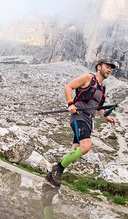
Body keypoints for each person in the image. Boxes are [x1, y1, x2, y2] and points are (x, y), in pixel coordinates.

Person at [47, 59, 116, 187]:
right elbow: (68, 87)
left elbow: (98, 107)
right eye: (107, 67)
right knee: (86, 147)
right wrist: (70, 104)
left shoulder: (103, 87)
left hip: (89, 120)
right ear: (98, 67)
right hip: (79, 116)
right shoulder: (88, 78)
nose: (109, 70)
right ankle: (57, 169)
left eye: (111, 68)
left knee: (75, 150)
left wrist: (106, 118)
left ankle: (53, 174)